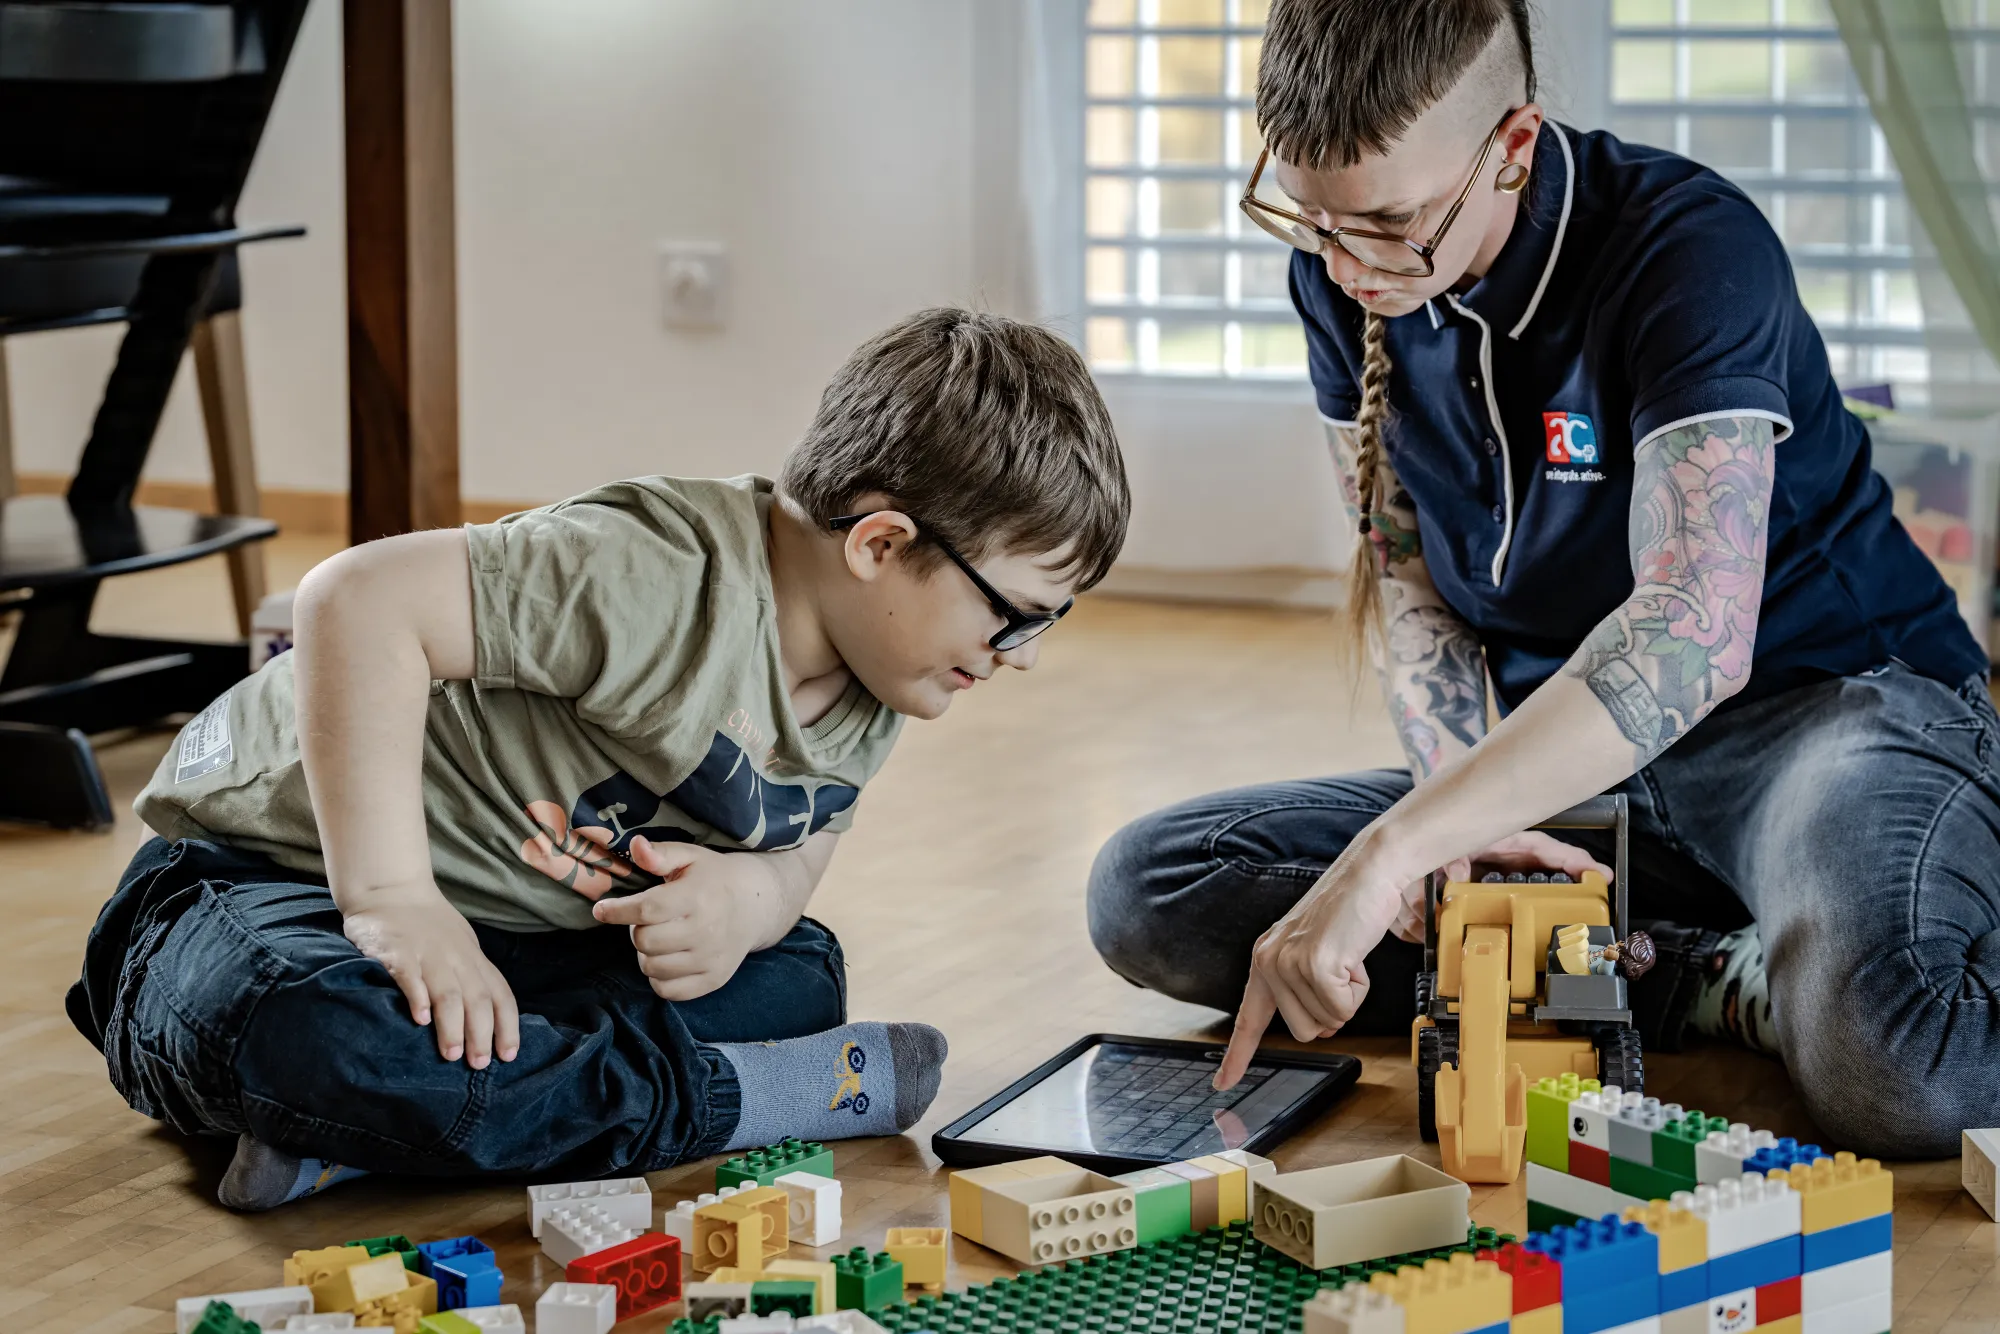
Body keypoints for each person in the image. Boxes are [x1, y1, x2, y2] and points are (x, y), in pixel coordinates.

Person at [1088, 0, 1997, 1158]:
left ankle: (1785, 946)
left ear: (1511, 146)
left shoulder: (1686, 247)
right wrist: (1459, 825)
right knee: (1148, 892)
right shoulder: (1339, 275)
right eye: (1311, 220)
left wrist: (1398, 848)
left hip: (1823, 727)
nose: (1343, 264)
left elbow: (1689, 635)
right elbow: (1409, 585)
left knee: (1904, 1069)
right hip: (1575, 764)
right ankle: (1705, 971)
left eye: (1388, 223)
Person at [68, 307, 1130, 1210]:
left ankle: (387, 1130)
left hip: (519, 936)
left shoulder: (888, 672)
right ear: (880, 544)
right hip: (267, 881)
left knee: (798, 975)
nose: (1018, 655)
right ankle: (746, 1099)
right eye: (1012, 615)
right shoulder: (653, 572)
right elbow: (355, 599)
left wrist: (750, 898)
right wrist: (392, 901)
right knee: (300, 1028)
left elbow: (802, 844)